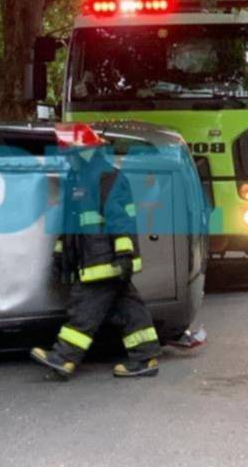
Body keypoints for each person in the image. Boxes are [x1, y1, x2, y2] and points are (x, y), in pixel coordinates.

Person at [30, 124, 162, 379]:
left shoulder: (105, 177)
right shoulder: (78, 178)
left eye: (70, 153)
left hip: (104, 262)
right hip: (94, 260)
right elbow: (70, 225)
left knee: (83, 310)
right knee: (128, 309)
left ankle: (63, 358)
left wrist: (124, 254)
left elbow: (121, 219)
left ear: (84, 151)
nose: (67, 158)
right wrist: (61, 255)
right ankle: (146, 357)